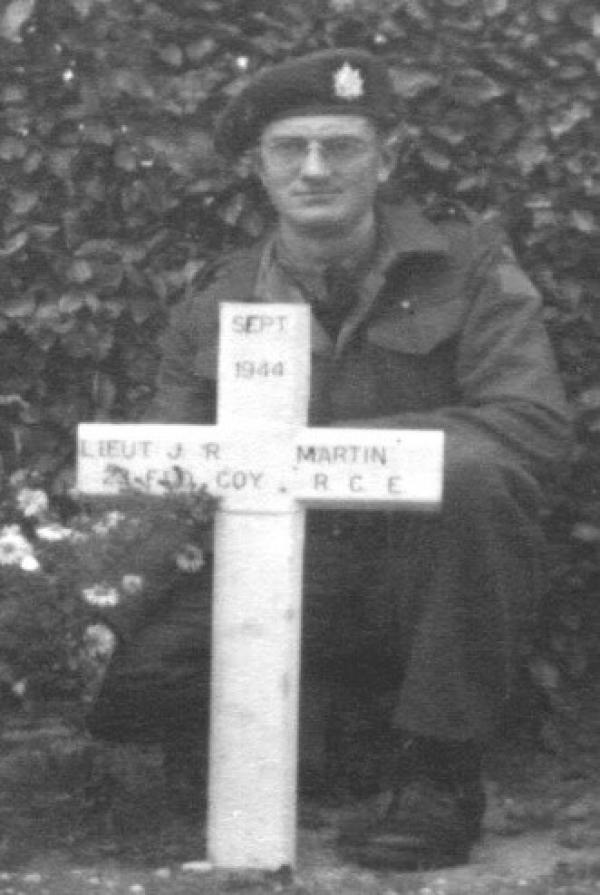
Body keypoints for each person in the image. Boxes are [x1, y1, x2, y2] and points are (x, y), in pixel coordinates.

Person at [147, 48, 572, 869]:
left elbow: (531, 423)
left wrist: (334, 457)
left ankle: (439, 770)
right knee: (135, 687)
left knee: (478, 475)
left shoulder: (469, 267)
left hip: (418, 574)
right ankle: (283, 740)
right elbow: (171, 467)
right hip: (278, 576)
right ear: (257, 167)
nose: (314, 169)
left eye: (340, 146)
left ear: (388, 158)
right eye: (289, 149)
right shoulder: (219, 294)